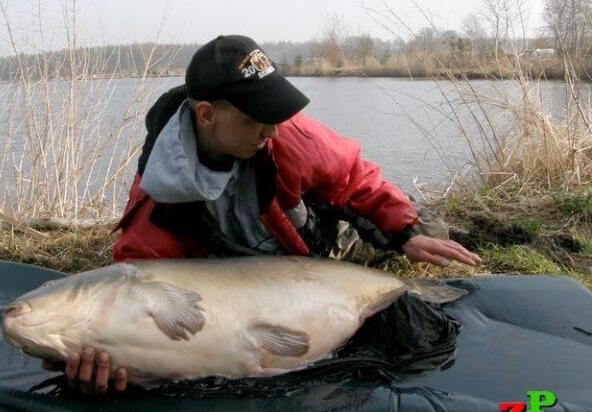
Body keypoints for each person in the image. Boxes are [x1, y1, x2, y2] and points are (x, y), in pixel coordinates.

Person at [47, 34, 481, 393]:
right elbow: (143, 281)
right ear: (206, 115)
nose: (272, 130)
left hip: (311, 244)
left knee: (423, 226)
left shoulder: (285, 133)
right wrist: (111, 356)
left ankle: (398, 236)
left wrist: (405, 232)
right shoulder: (158, 198)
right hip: (241, 282)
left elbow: (352, 176)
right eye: (259, 117)